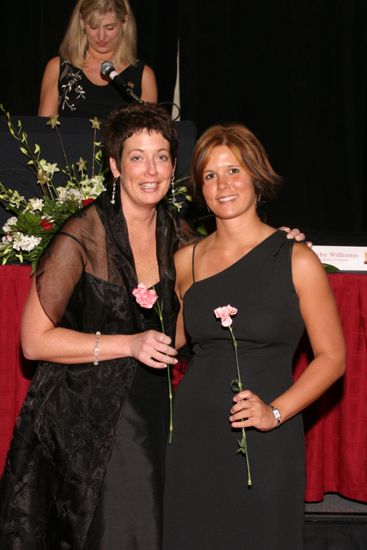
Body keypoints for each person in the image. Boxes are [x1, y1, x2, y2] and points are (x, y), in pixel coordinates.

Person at [0, 103, 179, 549]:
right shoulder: (80, 235)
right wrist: (128, 344)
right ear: (116, 166)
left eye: (161, 156)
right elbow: (33, 342)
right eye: (137, 157)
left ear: (174, 166)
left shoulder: (181, 235)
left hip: (155, 410)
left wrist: (282, 244)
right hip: (82, 411)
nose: (150, 169)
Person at [163, 124, 346, 549]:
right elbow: (169, 343)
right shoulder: (184, 260)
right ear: (199, 188)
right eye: (210, 175)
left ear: (256, 177)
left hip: (264, 439)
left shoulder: (296, 258)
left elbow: (333, 358)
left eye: (234, 171)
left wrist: (275, 413)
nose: (222, 185)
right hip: (193, 436)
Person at [38, 0, 157, 118]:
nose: (101, 36)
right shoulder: (58, 68)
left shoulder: (144, 76)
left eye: (109, 28)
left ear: (124, 22)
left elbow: (148, 133)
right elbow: (44, 131)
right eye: (94, 27)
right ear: (82, 22)